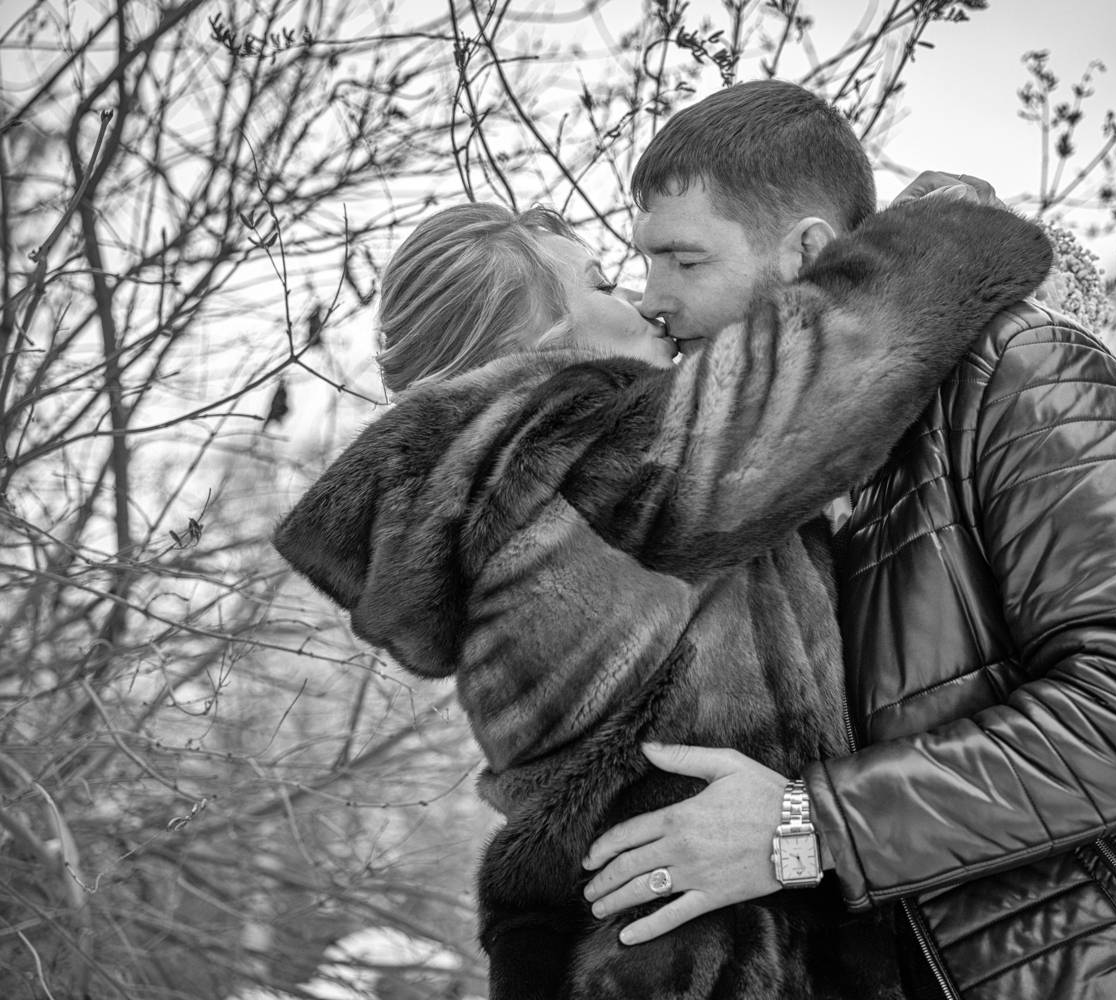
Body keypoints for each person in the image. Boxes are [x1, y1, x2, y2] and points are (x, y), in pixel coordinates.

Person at [581, 79, 1116, 999]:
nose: (652, 298)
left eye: (684, 260)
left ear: (806, 253)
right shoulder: (802, 467)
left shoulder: (1029, 376)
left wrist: (803, 828)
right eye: (643, 261)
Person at [272, 192, 1053, 999]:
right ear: (536, 337)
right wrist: (947, 226)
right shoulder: (569, 454)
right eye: (602, 283)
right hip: (685, 959)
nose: (645, 300)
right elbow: (835, 361)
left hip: (622, 939)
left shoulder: (505, 492)